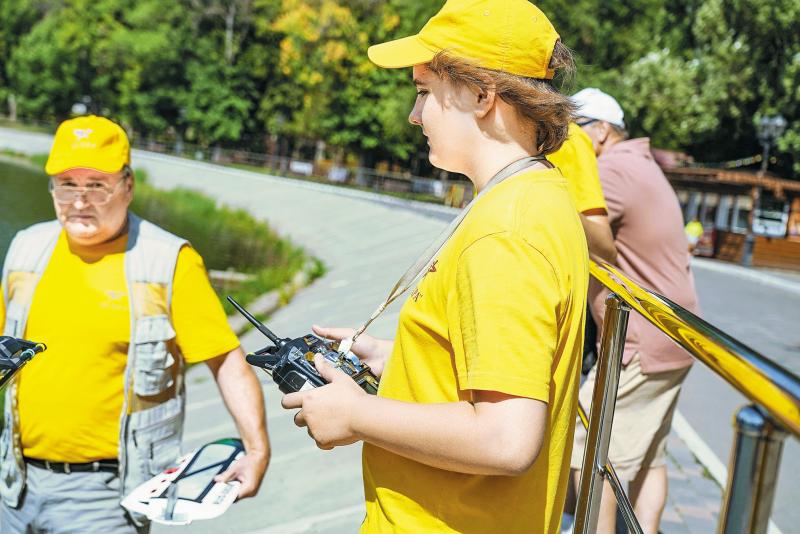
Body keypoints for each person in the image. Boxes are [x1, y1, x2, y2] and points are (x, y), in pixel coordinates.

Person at [281, 1, 588, 532]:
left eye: (424, 90)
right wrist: (398, 360)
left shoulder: (506, 234)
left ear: (482, 94)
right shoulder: (536, 197)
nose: (414, 114)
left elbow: (506, 437)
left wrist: (355, 414)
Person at [0, 115, 270, 532]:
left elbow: (227, 361)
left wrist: (256, 450)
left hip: (107, 496)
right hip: (12, 483)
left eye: (97, 185)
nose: (79, 201)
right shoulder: (26, 248)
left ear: (128, 186)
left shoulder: (168, 261)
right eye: (66, 184)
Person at [568, 88, 700, 534]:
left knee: (589, 446)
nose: (566, 142)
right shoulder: (641, 165)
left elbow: (574, 224)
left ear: (601, 130)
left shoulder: (612, 170)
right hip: (675, 333)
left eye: (573, 131)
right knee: (648, 455)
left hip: (642, 339)